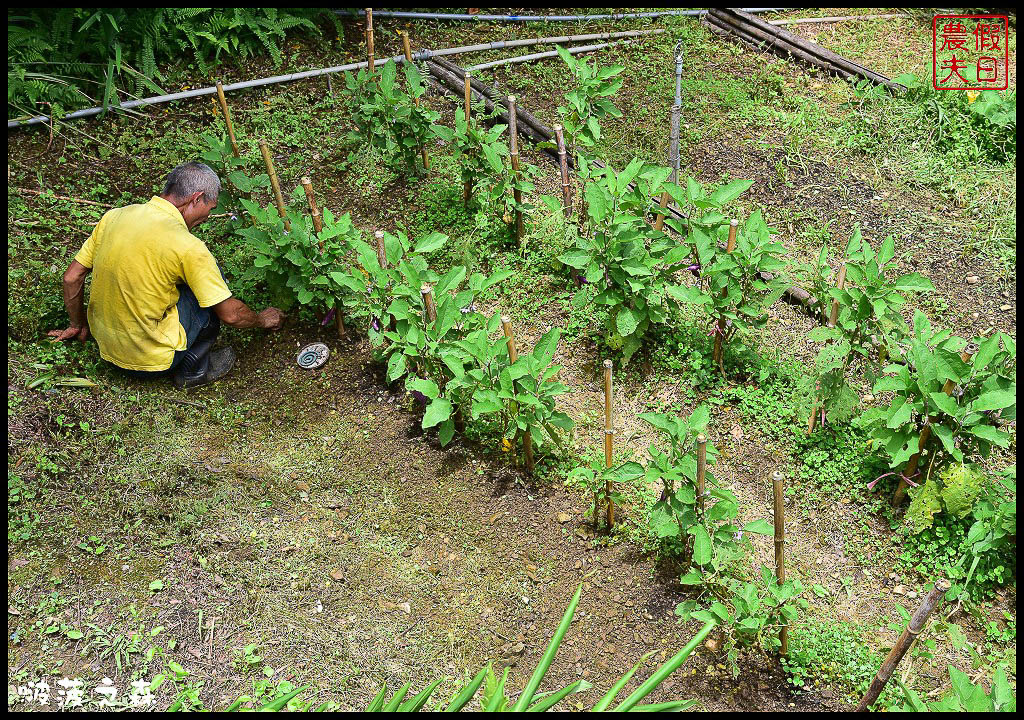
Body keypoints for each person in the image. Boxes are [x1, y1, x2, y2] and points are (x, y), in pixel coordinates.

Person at [48, 162, 285, 388]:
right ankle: (194, 370)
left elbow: (72, 277)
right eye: (209, 209)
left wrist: (77, 324)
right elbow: (231, 315)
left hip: (107, 351)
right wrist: (263, 319)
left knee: (183, 278)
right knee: (211, 287)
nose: (208, 217)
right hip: (153, 362)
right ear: (197, 198)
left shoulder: (115, 216)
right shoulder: (188, 246)